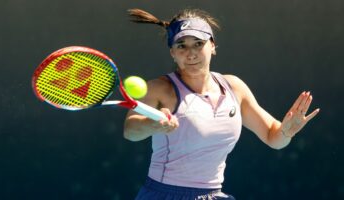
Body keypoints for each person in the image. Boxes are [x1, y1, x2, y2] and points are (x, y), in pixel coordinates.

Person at [123, 8, 320, 200]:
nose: (191, 53)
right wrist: (153, 124)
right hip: (165, 194)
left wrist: (286, 131)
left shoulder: (234, 87)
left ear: (213, 46)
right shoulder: (159, 88)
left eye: (198, 43)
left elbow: (273, 136)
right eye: (181, 45)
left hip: (213, 194)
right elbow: (131, 130)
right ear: (172, 53)